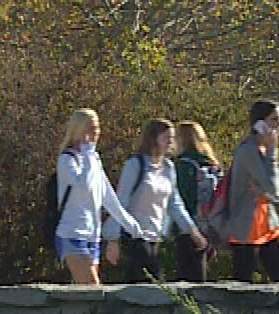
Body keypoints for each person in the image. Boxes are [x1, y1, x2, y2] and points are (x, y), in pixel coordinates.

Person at [53, 109, 147, 285]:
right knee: (93, 289)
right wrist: (88, 154)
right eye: (90, 128)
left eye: (97, 128)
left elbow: (108, 197)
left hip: (92, 237)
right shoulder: (67, 160)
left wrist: (131, 225)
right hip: (72, 234)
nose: (95, 133)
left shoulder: (94, 160)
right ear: (78, 129)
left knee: (87, 296)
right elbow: (84, 185)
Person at [104, 119, 206, 282]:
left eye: (172, 138)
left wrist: (193, 231)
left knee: (140, 286)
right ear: (153, 138)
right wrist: (112, 240)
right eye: (166, 138)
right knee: (153, 282)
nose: (170, 142)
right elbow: (120, 203)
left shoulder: (168, 168)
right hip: (135, 235)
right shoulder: (135, 165)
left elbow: (175, 204)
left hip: (155, 236)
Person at [227, 100, 279, 283]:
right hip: (246, 228)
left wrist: (265, 187)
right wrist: (272, 152)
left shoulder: (264, 149)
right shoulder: (248, 150)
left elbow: (277, 193)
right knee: (242, 284)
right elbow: (273, 188)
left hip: (267, 224)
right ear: (260, 124)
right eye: (274, 120)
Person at [172, 121, 221, 281]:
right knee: (200, 274)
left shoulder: (183, 165)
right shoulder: (212, 165)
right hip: (211, 226)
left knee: (187, 277)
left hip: (189, 227)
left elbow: (181, 198)